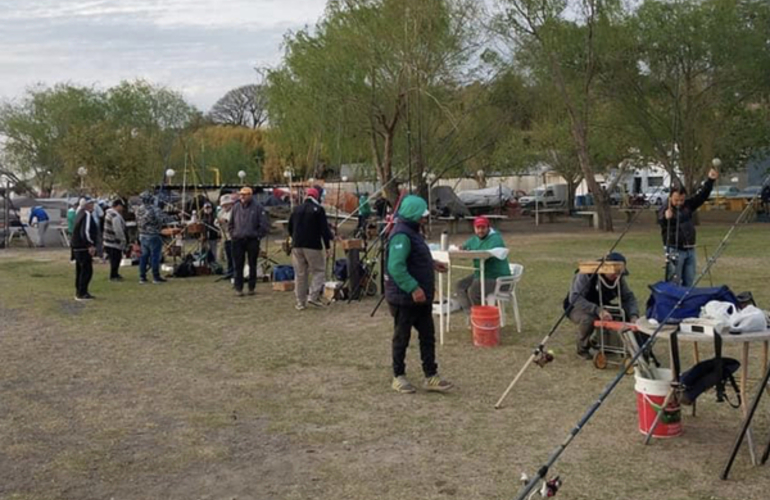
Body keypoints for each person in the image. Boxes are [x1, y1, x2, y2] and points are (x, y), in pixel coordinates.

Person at [385, 195, 453, 394]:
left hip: (422, 298)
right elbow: (396, 266)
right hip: (404, 298)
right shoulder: (401, 235)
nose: (425, 217)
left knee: (427, 336)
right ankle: (398, 376)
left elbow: (414, 256)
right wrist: (413, 288)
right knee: (401, 337)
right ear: (413, 214)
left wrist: (432, 264)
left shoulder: (414, 232)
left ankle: (430, 375)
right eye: (422, 214)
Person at [564, 252, 639, 359]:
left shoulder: (618, 278)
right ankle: (582, 348)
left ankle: (611, 344)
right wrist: (598, 310)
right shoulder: (586, 273)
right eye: (614, 272)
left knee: (620, 313)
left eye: (620, 273)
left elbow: (628, 297)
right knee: (588, 319)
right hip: (577, 306)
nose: (617, 276)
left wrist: (633, 315)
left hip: (602, 305)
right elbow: (575, 298)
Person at [658, 168, 718, 287]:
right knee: (674, 282)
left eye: (682, 200)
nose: (679, 203)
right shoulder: (666, 208)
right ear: (670, 197)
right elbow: (661, 219)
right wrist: (665, 217)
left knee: (689, 281)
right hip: (674, 250)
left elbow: (702, 196)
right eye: (676, 200)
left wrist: (710, 180)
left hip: (690, 249)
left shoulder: (688, 205)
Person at [456, 215, 511, 317]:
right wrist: (461, 249)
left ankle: (482, 317)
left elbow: (486, 255)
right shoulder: (474, 239)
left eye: (483, 228)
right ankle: (471, 315)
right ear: (474, 228)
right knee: (460, 285)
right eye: (478, 228)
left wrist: (470, 251)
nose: (480, 231)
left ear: (488, 228)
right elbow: (464, 249)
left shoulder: (495, 239)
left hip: (496, 277)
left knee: (474, 290)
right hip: (481, 273)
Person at [288, 187, 334, 310]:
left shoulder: (296, 209)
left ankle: (300, 302)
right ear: (317, 196)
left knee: (300, 274)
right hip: (313, 245)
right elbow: (324, 230)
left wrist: (294, 239)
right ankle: (313, 296)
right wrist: (328, 246)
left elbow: (290, 227)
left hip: (297, 245)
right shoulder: (318, 210)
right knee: (319, 271)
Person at [229, 186, 269, 296]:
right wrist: (233, 234)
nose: (242, 196)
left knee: (252, 264)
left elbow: (264, 225)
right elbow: (231, 223)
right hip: (238, 240)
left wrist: (257, 236)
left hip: (252, 240)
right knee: (238, 265)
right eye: (241, 194)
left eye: (245, 194)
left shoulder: (258, 207)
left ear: (250, 195)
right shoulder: (236, 207)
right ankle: (239, 288)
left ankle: (251, 287)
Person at [135, 191, 166, 284]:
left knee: (144, 256)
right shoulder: (154, 209)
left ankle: (142, 277)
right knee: (155, 256)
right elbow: (160, 220)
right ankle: (156, 277)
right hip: (153, 235)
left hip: (142, 235)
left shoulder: (138, 210)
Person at [71, 198, 98, 300]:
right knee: (86, 270)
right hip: (82, 247)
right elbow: (85, 232)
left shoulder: (79, 213)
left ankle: (79, 291)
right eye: (92, 203)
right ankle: (82, 292)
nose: (93, 205)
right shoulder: (86, 214)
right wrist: (90, 244)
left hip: (77, 246)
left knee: (80, 270)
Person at [103, 199, 127, 282]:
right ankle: (113, 275)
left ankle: (115, 274)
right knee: (115, 259)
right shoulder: (115, 216)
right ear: (118, 206)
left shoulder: (108, 214)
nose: (123, 208)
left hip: (107, 240)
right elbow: (118, 230)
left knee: (114, 259)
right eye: (122, 206)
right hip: (113, 241)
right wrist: (122, 239)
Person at [216, 194, 235, 276]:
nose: (225, 206)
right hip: (225, 236)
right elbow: (216, 222)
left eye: (227, 204)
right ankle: (230, 269)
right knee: (227, 254)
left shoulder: (234, 212)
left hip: (233, 235)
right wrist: (219, 222)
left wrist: (225, 221)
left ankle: (234, 270)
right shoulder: (221, 212)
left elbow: (234, 221)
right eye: (224, 204)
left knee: (233, 254)